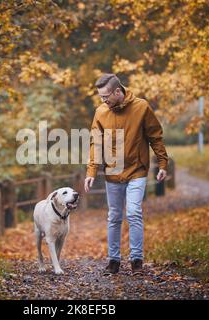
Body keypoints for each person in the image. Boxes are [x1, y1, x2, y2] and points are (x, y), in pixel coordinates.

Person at [85, 73, 168, 275]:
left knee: (133, 212)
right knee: (114, 216)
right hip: (112, 172)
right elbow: (95, 143)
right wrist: (92, 171)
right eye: (100, 97)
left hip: (136, 170)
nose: (103, 101)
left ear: (117, 91)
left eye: (106, 96)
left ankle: (136, 261)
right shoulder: (101, 112)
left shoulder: (142, 107)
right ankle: (114, 261)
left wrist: (162, 163)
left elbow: (155, 137)